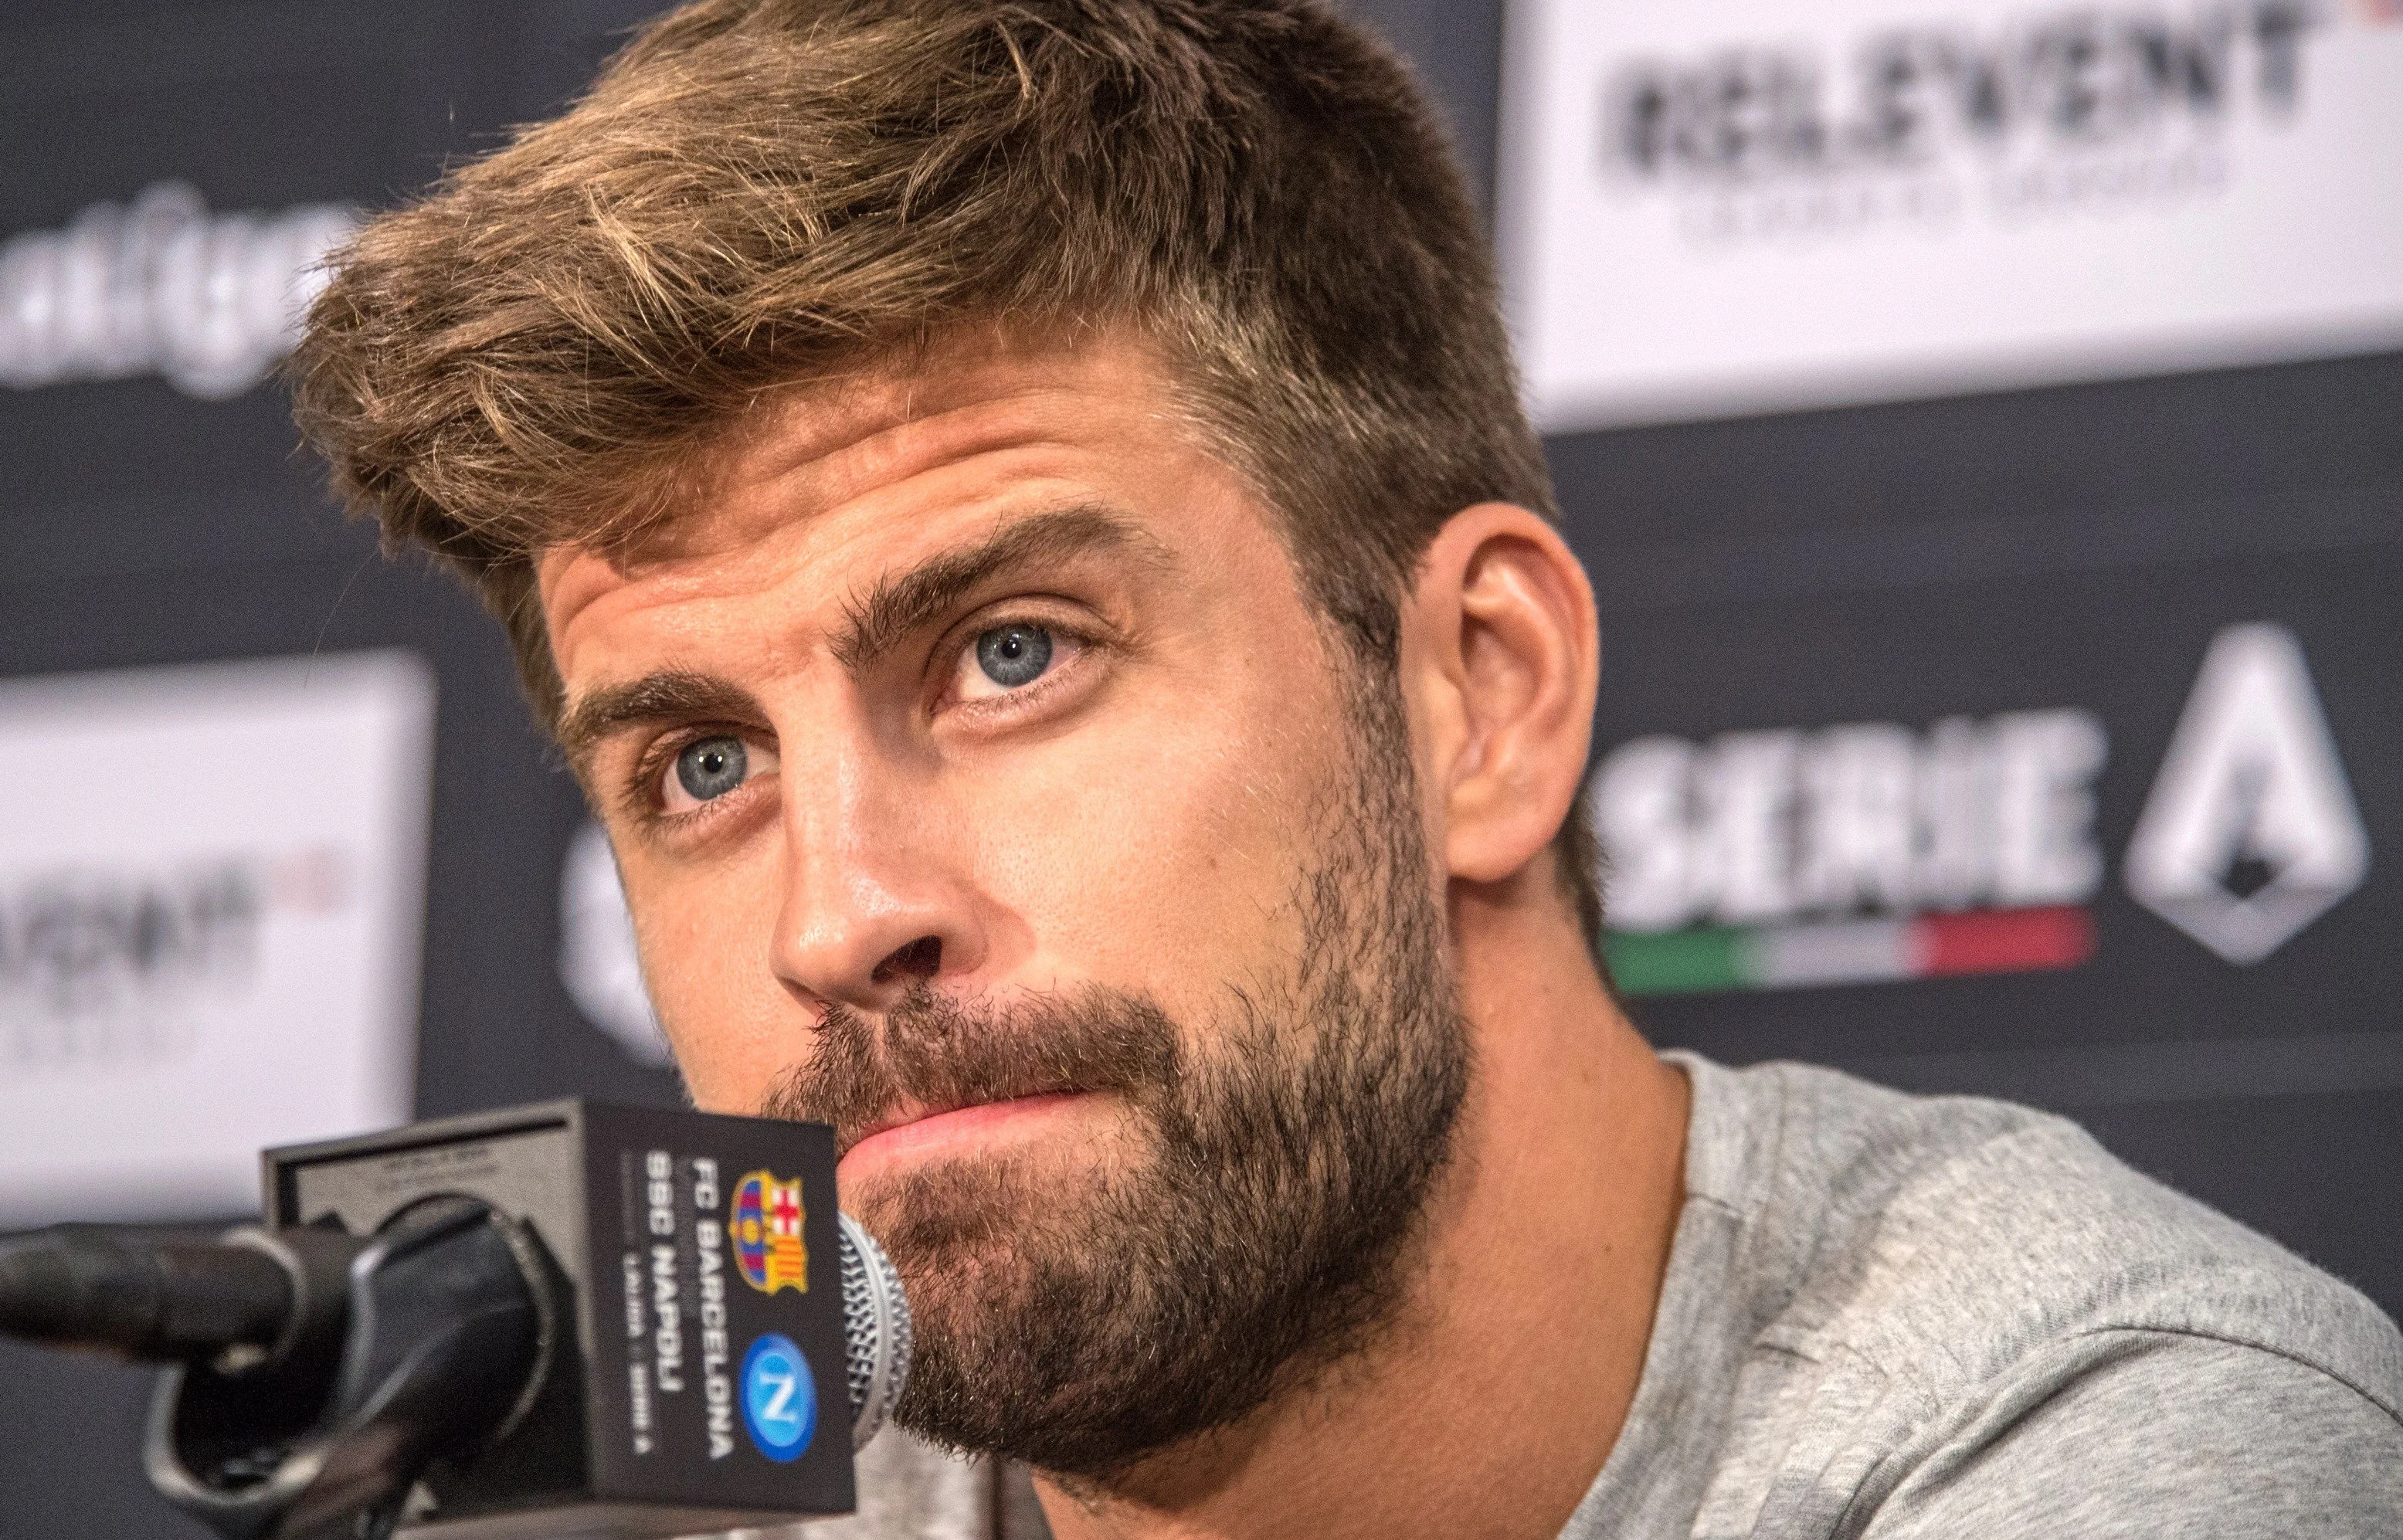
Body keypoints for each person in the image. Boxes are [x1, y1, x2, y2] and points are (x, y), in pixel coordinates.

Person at [289, 2, 2403, 1535]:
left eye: (1013, 654)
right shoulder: (757, 1505)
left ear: (1478, 694)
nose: (842, 917)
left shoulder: (2102, 1457)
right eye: (704, 765)